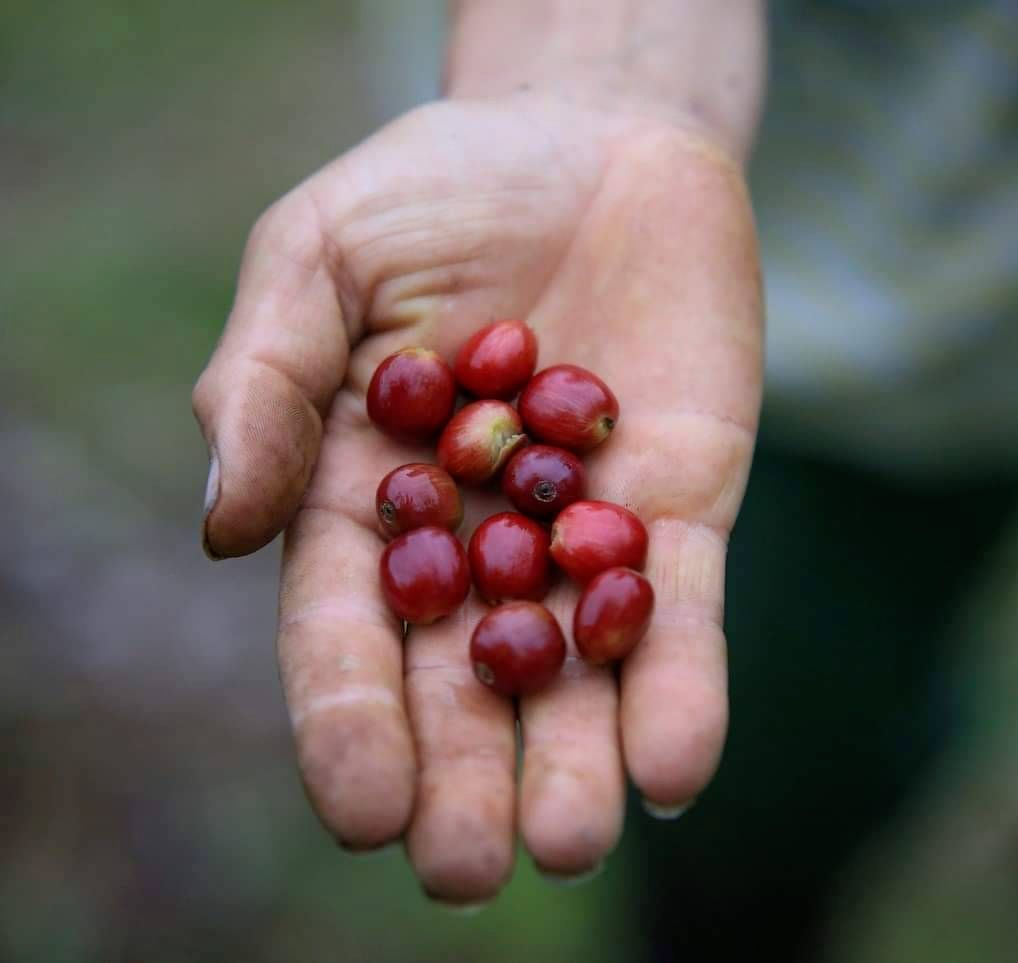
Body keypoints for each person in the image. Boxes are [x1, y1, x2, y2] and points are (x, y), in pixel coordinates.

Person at [193, 2, 1018, 958]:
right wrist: (592, 66)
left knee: (811, 733)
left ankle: (757, 900)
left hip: (958, 349)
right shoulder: (518, 457)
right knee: (735, 762)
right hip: (619, 160)